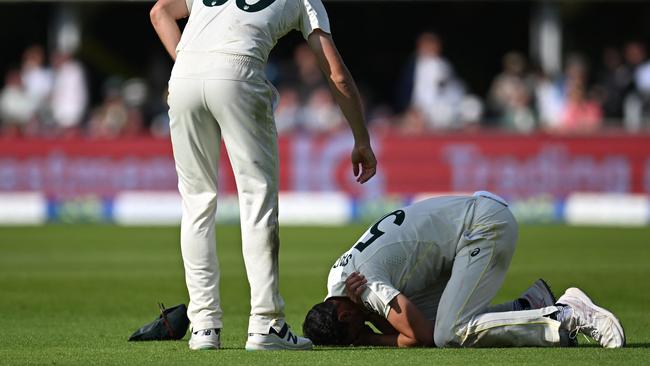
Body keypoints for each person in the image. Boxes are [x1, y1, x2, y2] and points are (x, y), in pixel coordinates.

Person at [149, 0, 377, 351]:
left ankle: (204, 327)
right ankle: (266, 323)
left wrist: (192, 66)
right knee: (256, 201)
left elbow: (159, 12)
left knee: (196, 203)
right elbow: (336, 73)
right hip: (237, 73)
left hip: (184, 79)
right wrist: (361, 137)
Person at [303, 191, 625, 348]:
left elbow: (421, 338)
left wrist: (367, 341)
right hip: (470, 225)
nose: (364, 333)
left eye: (356, 331)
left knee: (448, 333)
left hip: (482, 227)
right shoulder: (338, 279)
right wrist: (371, 324)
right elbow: (398, 324)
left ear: (344, 315)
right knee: (438, 321)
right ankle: (528, 306)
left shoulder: (367, 286)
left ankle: (567, 316)